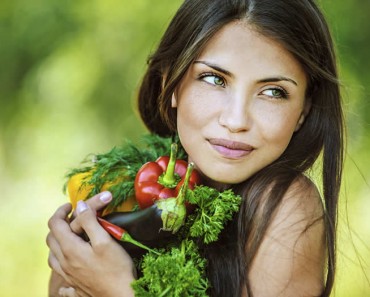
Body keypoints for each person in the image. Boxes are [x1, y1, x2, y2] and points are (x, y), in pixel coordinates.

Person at [46, 0, 344, 296]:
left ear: (303, 110)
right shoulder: (136, 184)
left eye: (272, 92)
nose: (236, 120)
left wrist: (119, 290)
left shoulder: (286, 204)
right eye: (214, 79)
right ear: (170, 84)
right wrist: (75, 257)